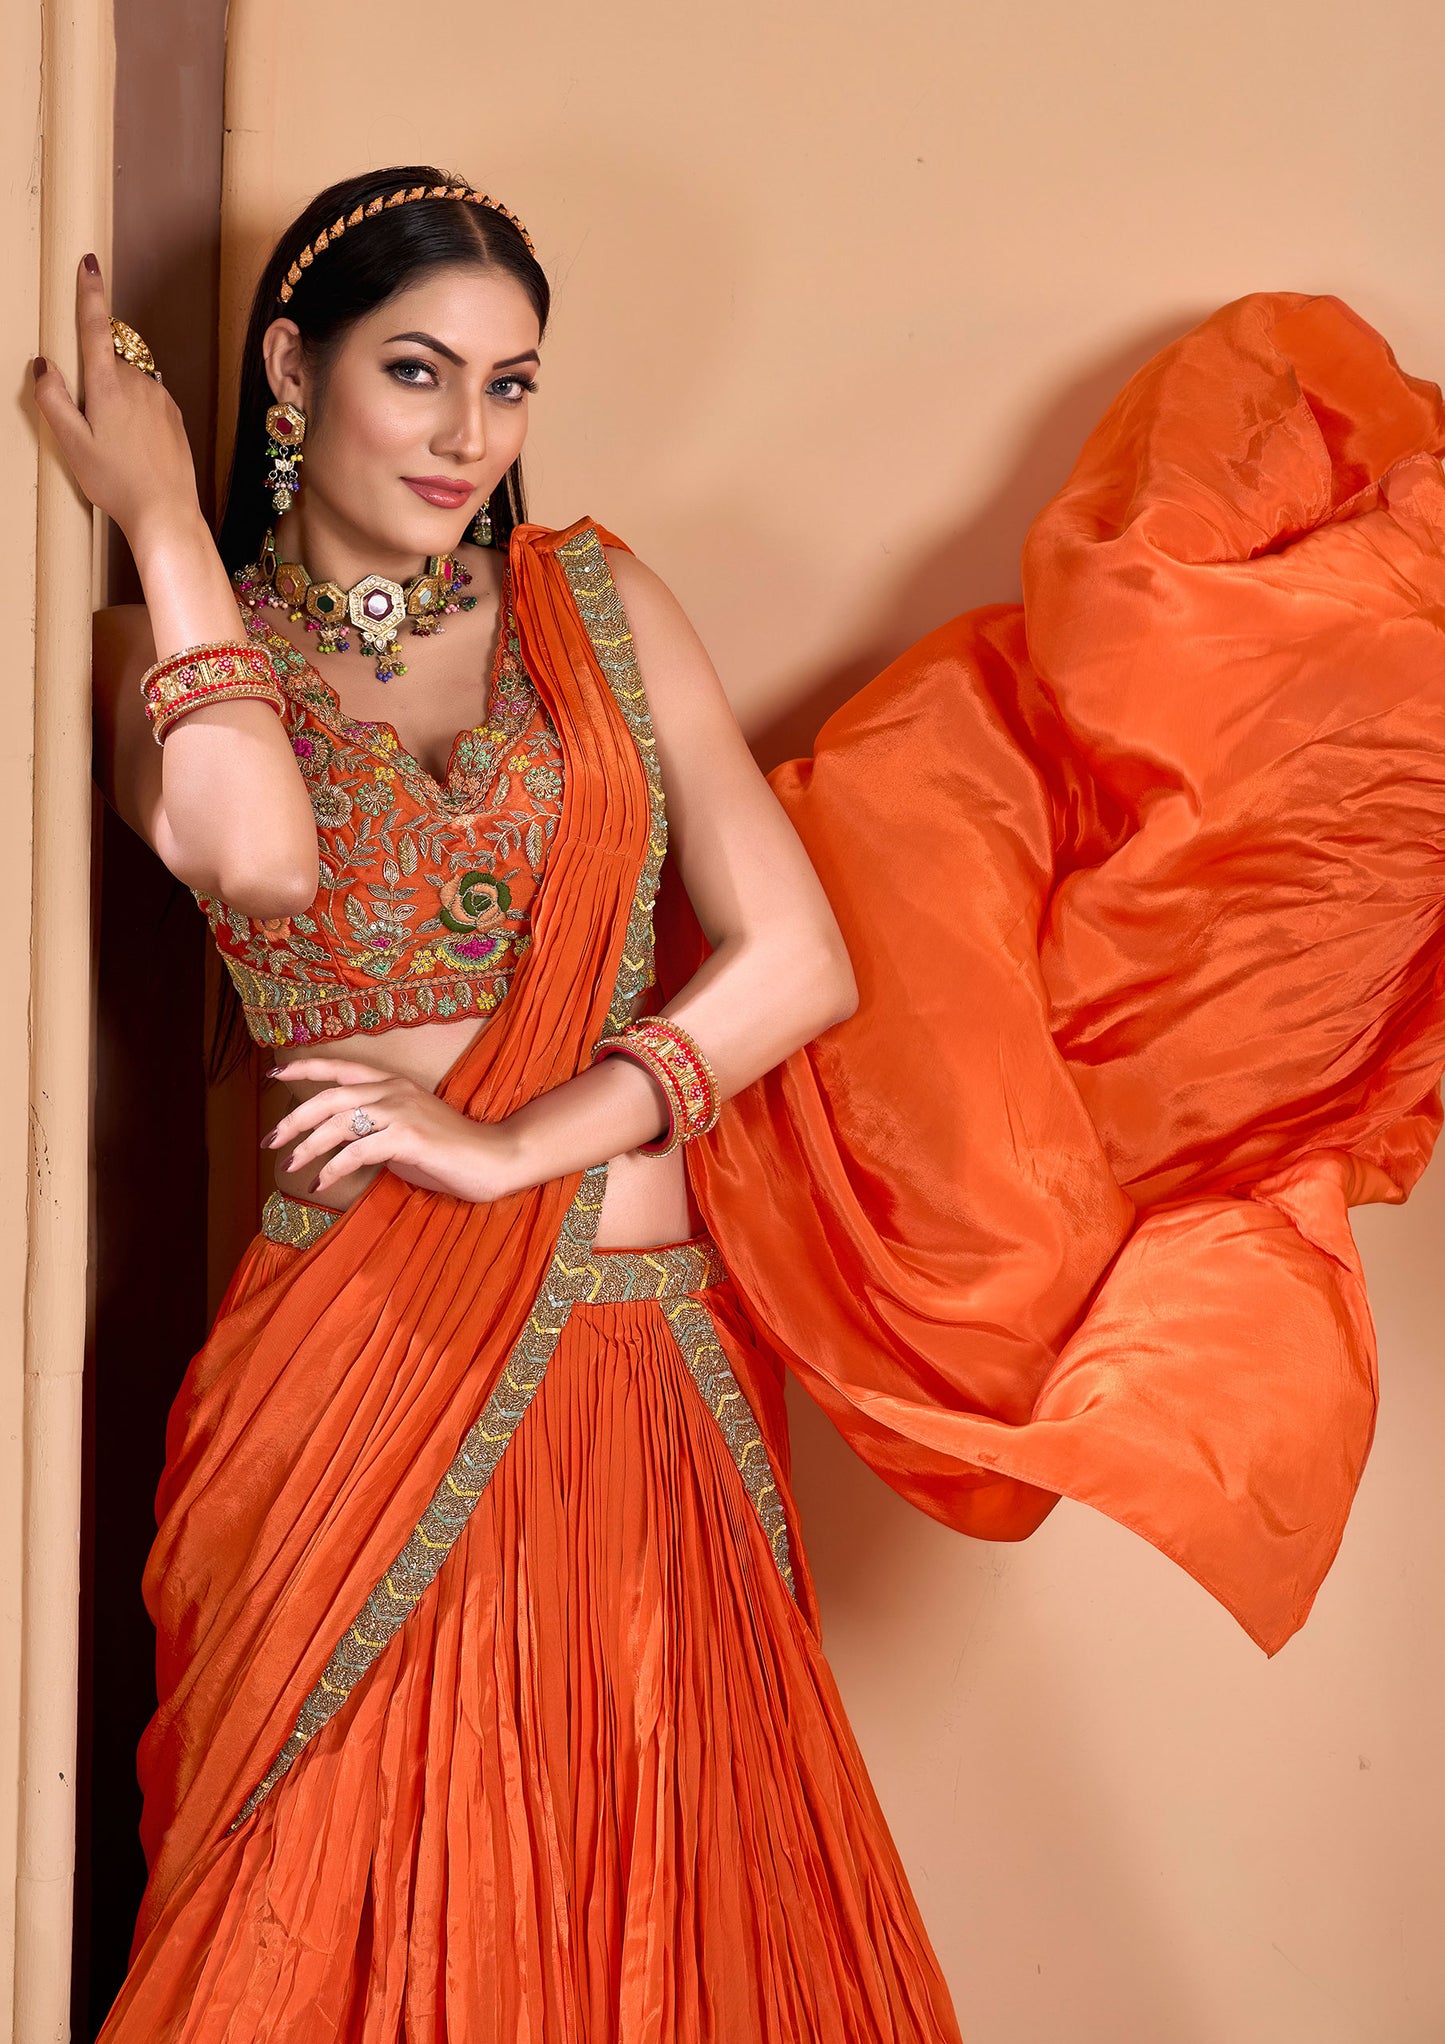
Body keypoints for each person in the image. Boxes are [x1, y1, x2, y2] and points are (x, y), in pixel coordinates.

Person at [36, 163, 1445, 2038]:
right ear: (292, 370)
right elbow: (259, 856)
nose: (470, 435)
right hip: (359, 1363)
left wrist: (519, 1141)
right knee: (338, 1920)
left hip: (649, 1372)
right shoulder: (182, 653)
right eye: (418, 372)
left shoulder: (593, 603)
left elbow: (799, 963)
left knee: (671, 1926)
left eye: (511, 383)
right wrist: (159, 518)